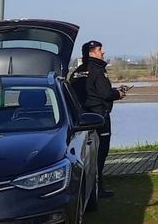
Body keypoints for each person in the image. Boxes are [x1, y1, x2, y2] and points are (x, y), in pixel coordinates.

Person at [69, 40, 128, 197]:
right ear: (91, 53)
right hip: (99, 117)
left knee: (85, 153)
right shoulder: (98, 70)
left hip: (80, 119)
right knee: (101, 152)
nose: (103, 52)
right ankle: (98, 187)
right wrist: (119, 93)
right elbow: (105, 94)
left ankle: (90, 185)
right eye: (100, 49)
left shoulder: (77, 72)